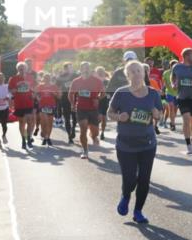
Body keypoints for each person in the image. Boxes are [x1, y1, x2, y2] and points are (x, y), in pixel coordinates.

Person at [108, 61, 163, 224]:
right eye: (132, 71)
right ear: (128, 75)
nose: (137, 74)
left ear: (144, 73)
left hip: (147, 144)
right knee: (130, 179)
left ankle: (138, 211)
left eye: (139, 70)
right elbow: (109, 112)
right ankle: (126, 195)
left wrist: (156, 114)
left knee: (144, 179)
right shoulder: (121, 93)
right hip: (125, 145)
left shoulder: (153, 93)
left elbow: (159, 114)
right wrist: (119, 117)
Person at [69, 62, 105, 159]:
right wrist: (72, 104)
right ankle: (85, 151)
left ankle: (93, 136)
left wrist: (97, 98)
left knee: (95, 132)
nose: (85, 70)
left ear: (90, 69)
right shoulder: (76, 81)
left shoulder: (97, 81)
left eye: (87, 68)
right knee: (83, 129)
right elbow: (70, 94)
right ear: (80, 70)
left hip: (93, 109)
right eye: (83, 68)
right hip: (81, 108)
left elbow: (103, 93)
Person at [172, 48, 192, 154]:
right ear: (185, 56)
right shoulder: (177, 67)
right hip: (182, 97)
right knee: (186, 119)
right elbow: (173, 79)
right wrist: (174, 84)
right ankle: (188, 145)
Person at [8, 62, 36, 150]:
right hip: (19, 104)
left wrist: (34, 92)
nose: (21, 69)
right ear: (17, 69)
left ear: (26, 69)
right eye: (20, 68)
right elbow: (10, 89)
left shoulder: (30, 78)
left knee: (30, 122)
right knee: (22, 123)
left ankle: (28, 139)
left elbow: (35, 88)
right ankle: (23, 140)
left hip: (29, 103)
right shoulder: (13, 78)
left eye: (23, 67)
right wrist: (14, 90)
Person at [36, 71, 60, 146]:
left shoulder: (54, 86)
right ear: (43, 79)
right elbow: (36, 94)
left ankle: (47, 137)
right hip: (42, 105)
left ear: (50, 79)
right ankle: (44, 134)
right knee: (43, 122)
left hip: (51, 105)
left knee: (49, 122)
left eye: (48, 78)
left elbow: (59, 96)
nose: (47, 79)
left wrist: (55, 94)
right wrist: (38, 98)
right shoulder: (40, 86)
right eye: (46, 78)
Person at [56, 62, 78, 143]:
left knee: (75, 117)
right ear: (65, 69)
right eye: (69, 68)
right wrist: (58, 95)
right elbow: (56, 87)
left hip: (75, 99)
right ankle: (69, 136)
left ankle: (73, 129)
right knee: (67, 118)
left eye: (71, 67)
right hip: (65, 99)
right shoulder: (60, 77)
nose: (70, 69)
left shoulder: (76, 75)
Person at [95, 66, 112, 141]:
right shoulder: (95, 81)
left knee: (104, 120)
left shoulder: (108, 81)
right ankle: (95, 130)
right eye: (99, 72)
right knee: (99, 118)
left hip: (106, 102)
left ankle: (102, 133)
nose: (100, 73)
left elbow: (112, 91)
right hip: (99, 102)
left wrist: (109, 96)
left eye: (101, 71)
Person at [162, 59, 178, 131]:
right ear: (170, 66)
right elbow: (165, 84)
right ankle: (172, 124)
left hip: (178, 94)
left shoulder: (180, 73)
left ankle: (172, 121)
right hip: (169, 92)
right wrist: (169, 88)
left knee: (175, 110)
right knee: (171, 108)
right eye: (173, 65)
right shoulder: (166, 73)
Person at [0, 73, 10, 147]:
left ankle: (4, 135)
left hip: (5, 108)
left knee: (4, 125)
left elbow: (10, 94)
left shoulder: (7, 86)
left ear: (4, 78)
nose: (0, 79)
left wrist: (7, 97)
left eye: (1, 77)